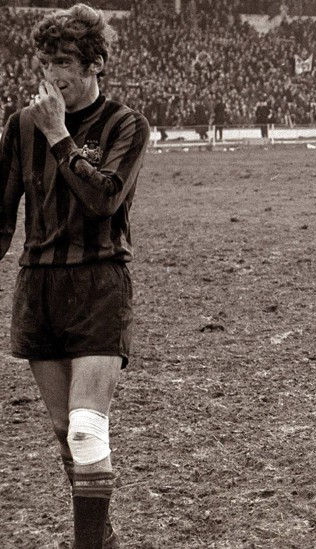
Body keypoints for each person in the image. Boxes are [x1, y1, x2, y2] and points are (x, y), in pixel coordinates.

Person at [0, 4, 149, 548]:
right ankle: (101, 536)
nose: (52, 75)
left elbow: (104, 199)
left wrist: (61, 137)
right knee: (68, 437)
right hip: (38, 288)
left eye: (64, 62)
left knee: (88, 428)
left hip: (98, 285)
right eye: (45, 62)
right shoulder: (20, 125)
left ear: (96, 63)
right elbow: (2, 213)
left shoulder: (126, 124)